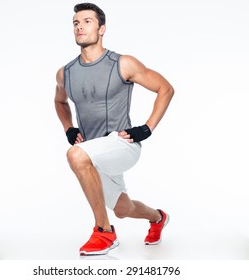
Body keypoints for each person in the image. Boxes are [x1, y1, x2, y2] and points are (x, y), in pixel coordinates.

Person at [55, 2, 174, 256]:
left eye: (87, 21)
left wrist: (147, 128)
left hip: (122, 145)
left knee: (75, 155)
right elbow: (59, 101)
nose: (80, 26)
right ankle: (158, 217)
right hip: (94, 154)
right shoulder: (65, 73)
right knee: (123, 209)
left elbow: (165, 88)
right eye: (76, 23)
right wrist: (68, 128)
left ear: (102, 29)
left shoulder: (123, 63)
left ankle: (103, 231)